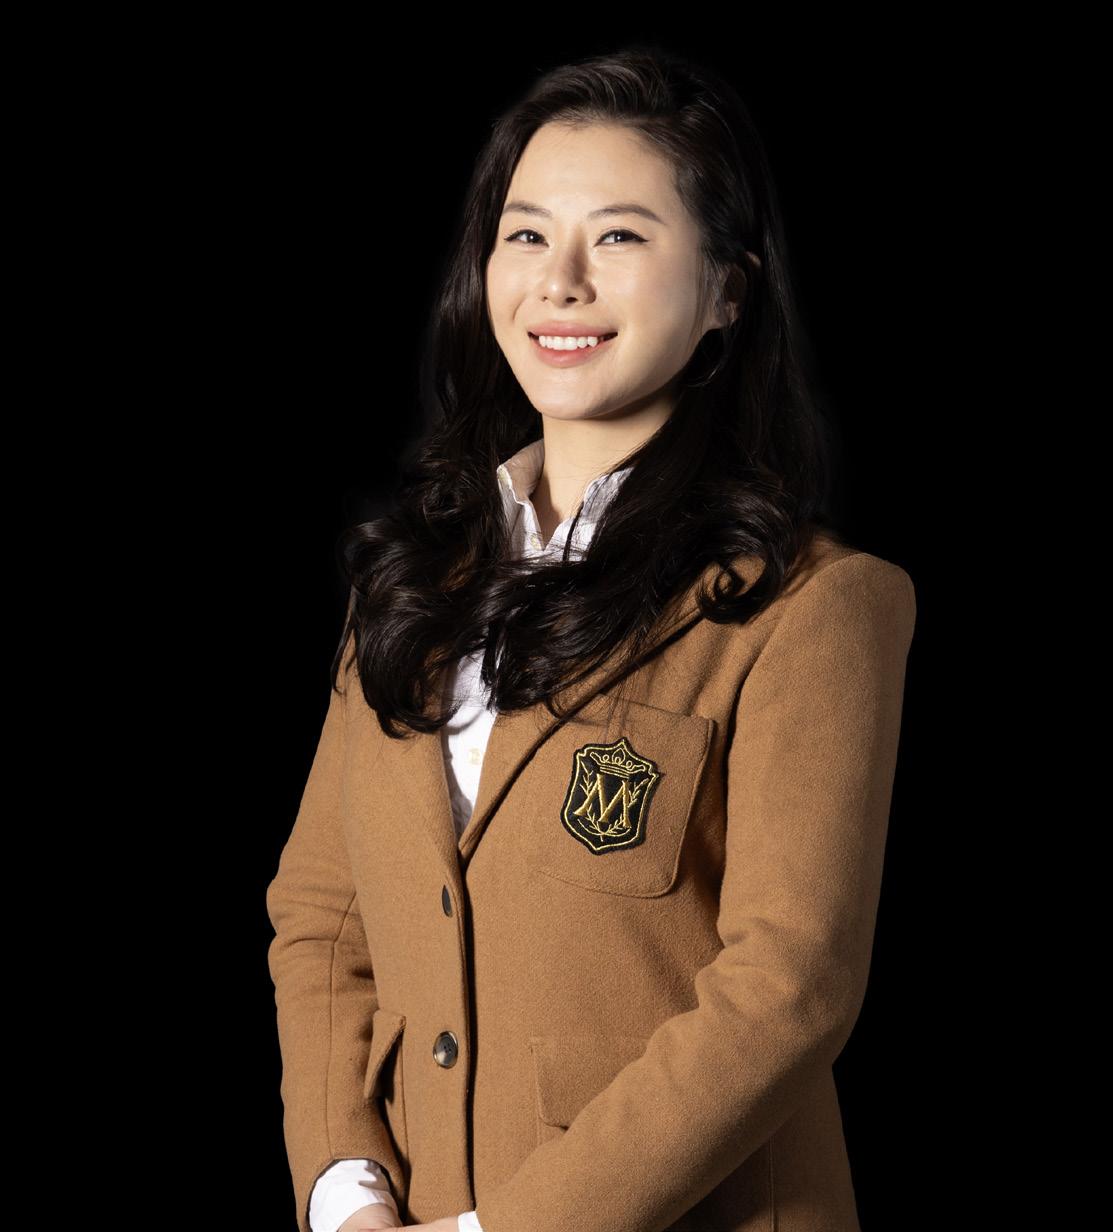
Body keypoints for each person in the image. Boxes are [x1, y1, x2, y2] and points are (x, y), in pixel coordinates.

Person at [266, 42, 917, 1232]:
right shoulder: (408, 584)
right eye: (526, 234)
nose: (559, 281)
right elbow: (322, 918)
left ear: (727, 291)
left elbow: (789, 988)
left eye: (618, 236)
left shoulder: (813, 606)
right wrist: (346, 1190)